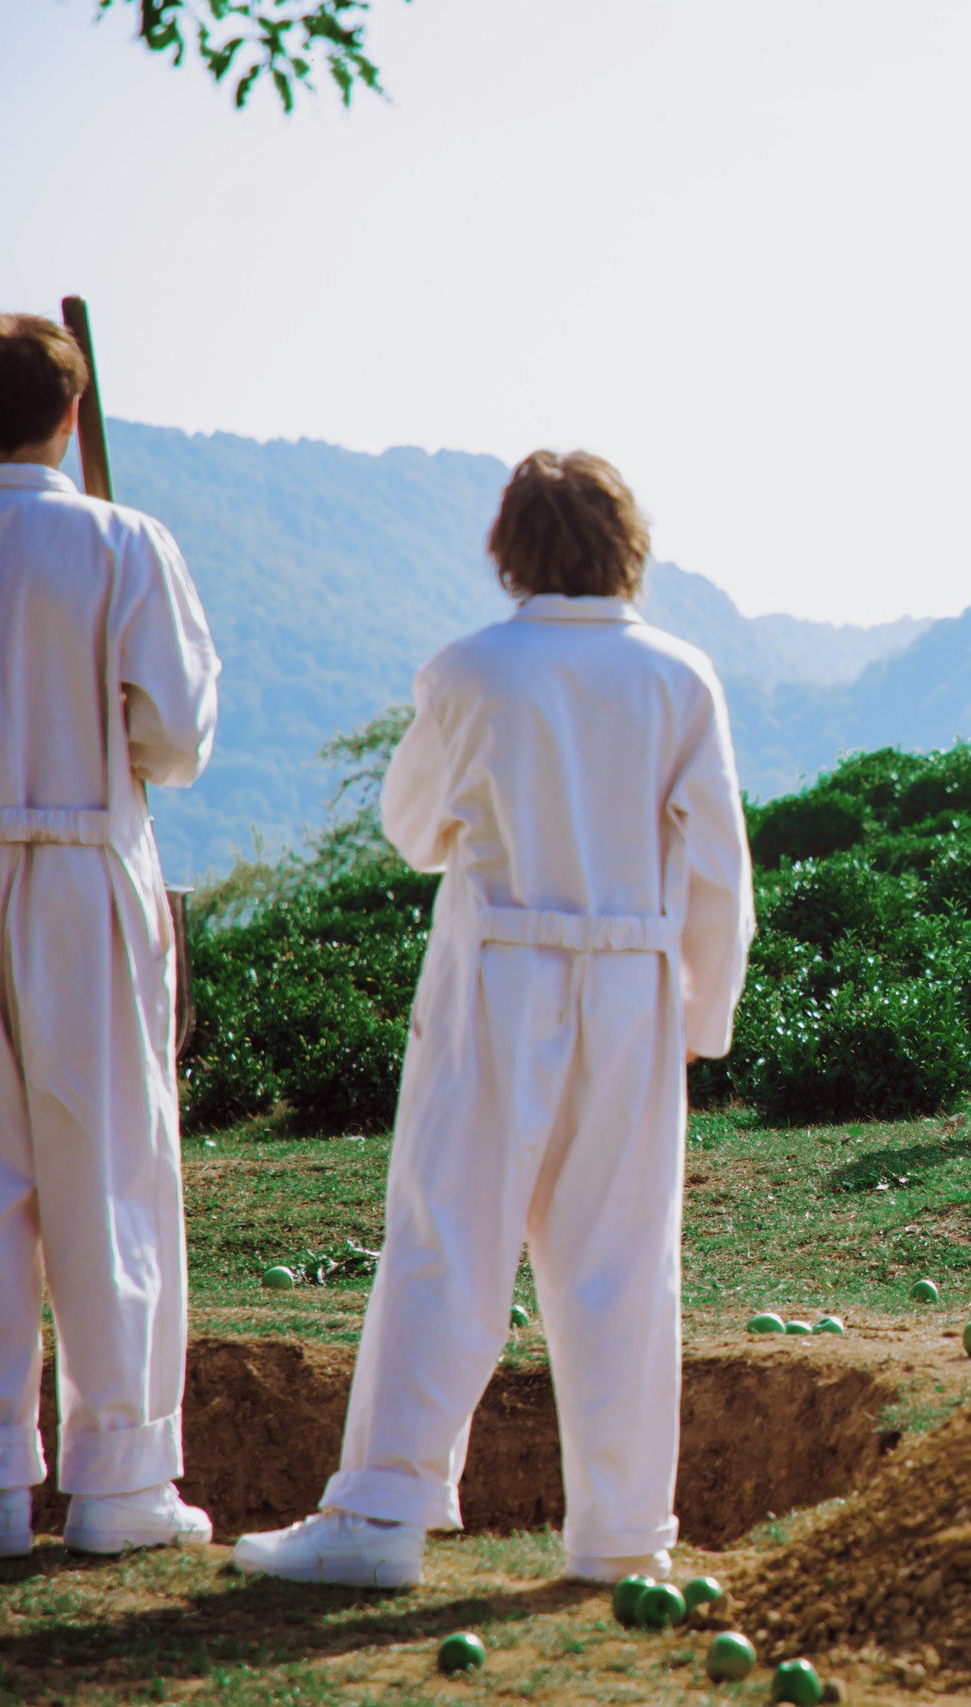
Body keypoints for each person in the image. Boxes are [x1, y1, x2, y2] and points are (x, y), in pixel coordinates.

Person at [231, 450, 755, 1589]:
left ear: (509, 547)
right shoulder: (681, 676)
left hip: (499, 972)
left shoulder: (469, 670)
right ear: (628, 543)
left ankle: (381, 1520)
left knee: (447, 1237)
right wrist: (701, 1018)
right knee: (621, 1258)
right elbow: (719, 871)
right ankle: (622, 1536)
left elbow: (416, 831)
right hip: (631, 982)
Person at [0, 314, 222, 1558]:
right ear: (71, 416)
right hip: (82, 866)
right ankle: (120, 1483)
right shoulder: (120, 542)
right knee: (106, 1171)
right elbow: (177, 739)